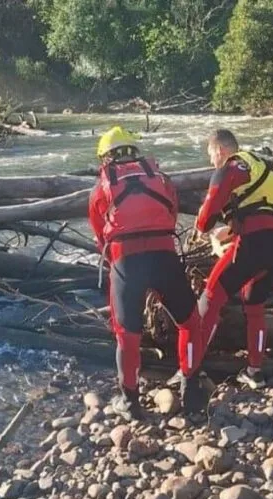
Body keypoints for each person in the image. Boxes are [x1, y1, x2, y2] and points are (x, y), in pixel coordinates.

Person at [87, 126, 206, 419]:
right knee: (190, 322)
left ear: (105, 159)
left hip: (126, 261)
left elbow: (99, 234)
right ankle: (191, 388)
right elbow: (171, 214)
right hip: (163, 256)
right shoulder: (160, 178)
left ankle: (130, 403)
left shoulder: (102, 186)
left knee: (127, 335)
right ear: (135, 153)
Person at [188, 129, 273, 389]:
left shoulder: (232, 166)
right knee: (254, 307)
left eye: (211, 155)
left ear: (220, 150)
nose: (212, 162)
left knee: (210, 297)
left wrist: (204, 228)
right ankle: (255, 371)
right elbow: (261, 212)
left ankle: (191, 369)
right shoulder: (267, 168)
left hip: (252, 245)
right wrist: (229, 230)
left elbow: (207, 215)